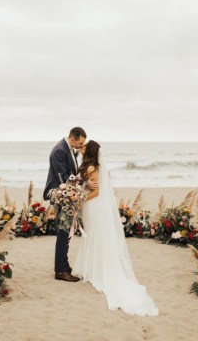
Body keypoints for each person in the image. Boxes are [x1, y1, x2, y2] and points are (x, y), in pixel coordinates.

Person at [73, 140, 159, 316]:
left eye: (84, 146)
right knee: (92, 235)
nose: (81, 148)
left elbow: (96, 192)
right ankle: (92, 267)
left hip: (93, 205)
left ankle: (95, 269)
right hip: (91, 206)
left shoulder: (91, 169)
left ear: (89, 151)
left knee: (94, 235)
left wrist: (81, 199)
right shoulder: (88, 166)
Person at [43, 127, 97, 282]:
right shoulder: (59, 151)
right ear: (72, 138)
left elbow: (71, 174)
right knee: (63, 231)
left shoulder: (68, 148)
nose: (81, 146)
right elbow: (64, 178)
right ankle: (60, 270)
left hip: (67, 195)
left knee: (66, 231)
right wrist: (85, 182)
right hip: (61, 195)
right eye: (79, 143)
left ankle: (64, 266)